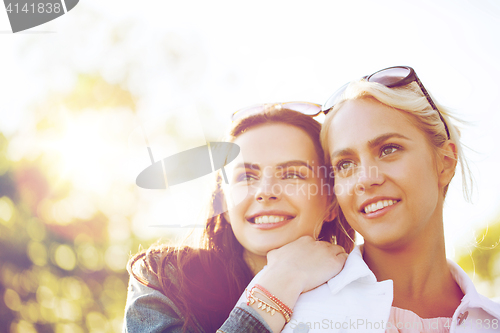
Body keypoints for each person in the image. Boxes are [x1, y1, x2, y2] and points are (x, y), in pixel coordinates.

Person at [237, 66, 499, 332]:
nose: (365, 179)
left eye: (389, 149)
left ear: (445, 162)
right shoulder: (290, 315)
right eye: (345, 164)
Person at [123, 105, 355, 333]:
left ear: (331, 202)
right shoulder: (165, 279)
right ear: (223, 200)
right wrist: (279, 285)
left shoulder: (366, 290)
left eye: (292, 174)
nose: (265, 191)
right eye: (246, 176)